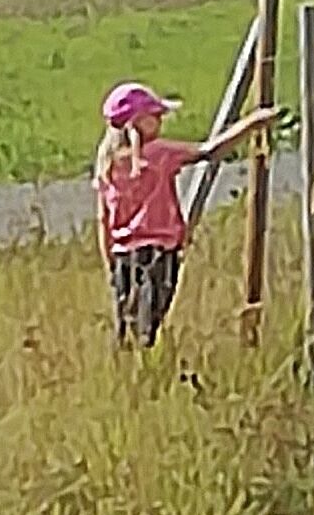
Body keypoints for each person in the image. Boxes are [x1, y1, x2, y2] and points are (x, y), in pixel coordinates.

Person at [94, 81, 277, 349]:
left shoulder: (107, 166)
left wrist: (109, 262)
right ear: (138, 123)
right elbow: (209, 151)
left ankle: (129, 366)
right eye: (156, 116)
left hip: (123, 257)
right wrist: (252, 123)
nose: (160, 122)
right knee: (151, 324)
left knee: (128, 325)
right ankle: (148, 366)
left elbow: (103, 220)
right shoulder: (158, 153)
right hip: (159, 253)